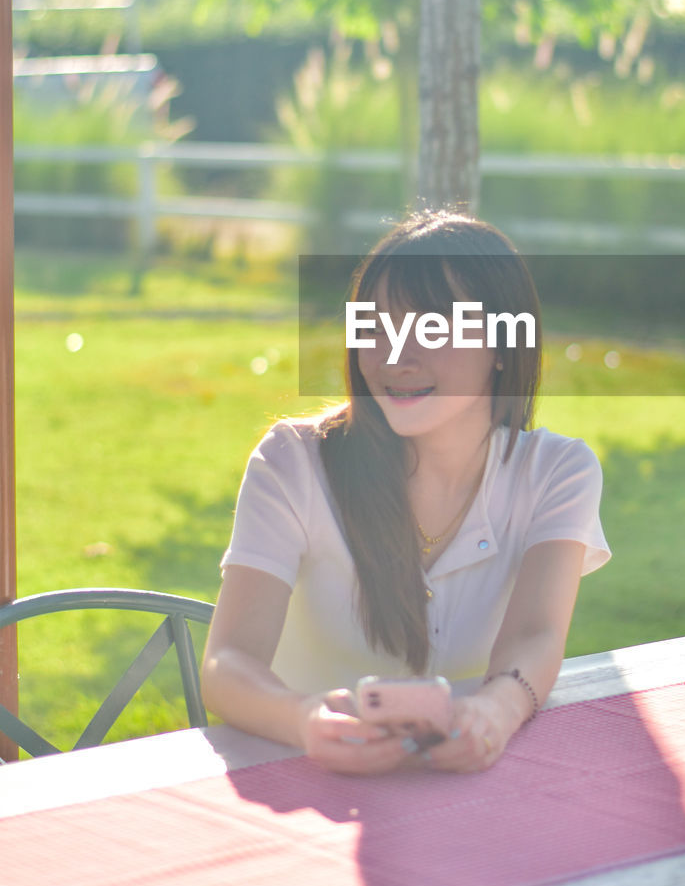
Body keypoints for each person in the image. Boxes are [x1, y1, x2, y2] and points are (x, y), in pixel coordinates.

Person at [202, 210, 610, 774]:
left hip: (465, 788)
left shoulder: (557, 472)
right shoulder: (292, 461)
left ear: (502, 345)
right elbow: (228, 663)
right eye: (376, 327)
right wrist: (306, 721)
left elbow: (535, 635)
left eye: (432, 329)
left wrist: (494, 713)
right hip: (303, 782)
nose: (395, 356)